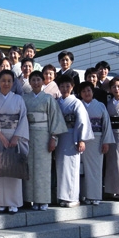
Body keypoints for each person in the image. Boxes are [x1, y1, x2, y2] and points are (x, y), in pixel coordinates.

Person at [0, 70, 29, 214]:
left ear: (13, 83)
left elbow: (23, 119)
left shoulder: (18, 99)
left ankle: (14, 202)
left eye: (9, 81)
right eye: (3, 80)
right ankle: (0, 202)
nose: (6, 83)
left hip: (15, 136)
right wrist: (0, 136)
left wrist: (17, 136)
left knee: (13, 168)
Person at [23, 71, 68, 211]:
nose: (36, 83)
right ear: (29, 82)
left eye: (38, 80)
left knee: (43, 169)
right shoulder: (24, 98)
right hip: (28, 135)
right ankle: (30, 199)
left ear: (43, 82)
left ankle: (43, 200)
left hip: (44, 135)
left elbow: (55, 119)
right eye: (33, 80)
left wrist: (53, 138)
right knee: (29, 168)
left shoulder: (48, 99)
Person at [55, 75, 94, 207]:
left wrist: (81, 139)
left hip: (72, 136)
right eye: (62, 86)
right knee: (61, 168)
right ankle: (62, 196)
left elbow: (82, 121)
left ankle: (73, 197)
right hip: (60, 136)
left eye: (67, 86)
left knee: (71, 167)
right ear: (59, 88)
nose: (65, 88)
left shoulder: (77, 102)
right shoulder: (57, 102)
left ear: (72, 87)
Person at [78, 81, 115, 205]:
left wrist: (106, 142)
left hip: (97, 140)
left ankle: (95, 196)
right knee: (81, 169)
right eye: (83, 91)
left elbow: (106, 125)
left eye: (88, 90)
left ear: (93, 92)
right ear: (80, 94)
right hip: (81, 141)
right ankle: (83, 194)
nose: (86, 93)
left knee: (95, 169)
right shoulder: (78, 105)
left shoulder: (100, 106)